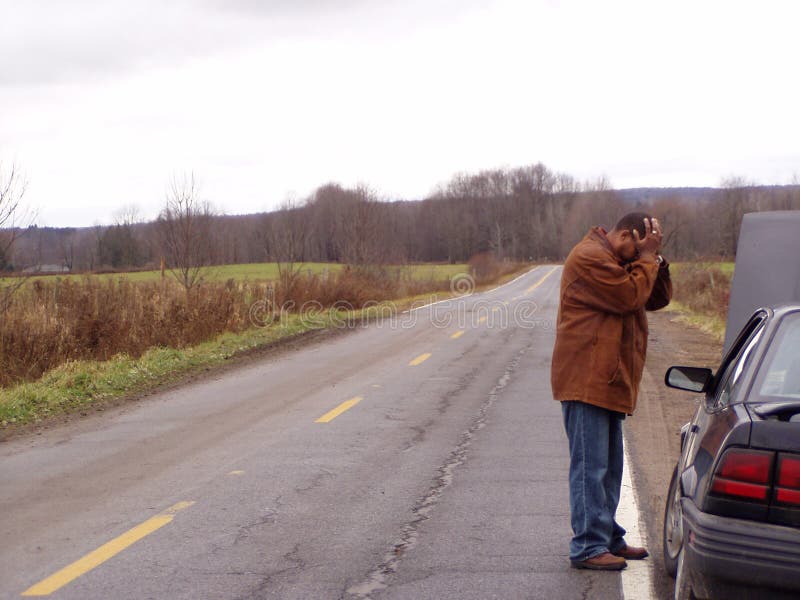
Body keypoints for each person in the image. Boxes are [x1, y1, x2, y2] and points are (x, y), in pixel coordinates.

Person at [551, 212, 672, 571]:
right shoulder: (589, 257)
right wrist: (645, 260)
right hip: (586, 380)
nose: (638, 257)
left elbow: (654, 299)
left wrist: (656, 262)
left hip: (608, 380)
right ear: (623, 236)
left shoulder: (619, 260)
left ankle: (608, 536)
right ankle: (588, 545)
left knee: (610, 468)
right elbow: (628, 295)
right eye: (637, 247)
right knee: (591, 467)